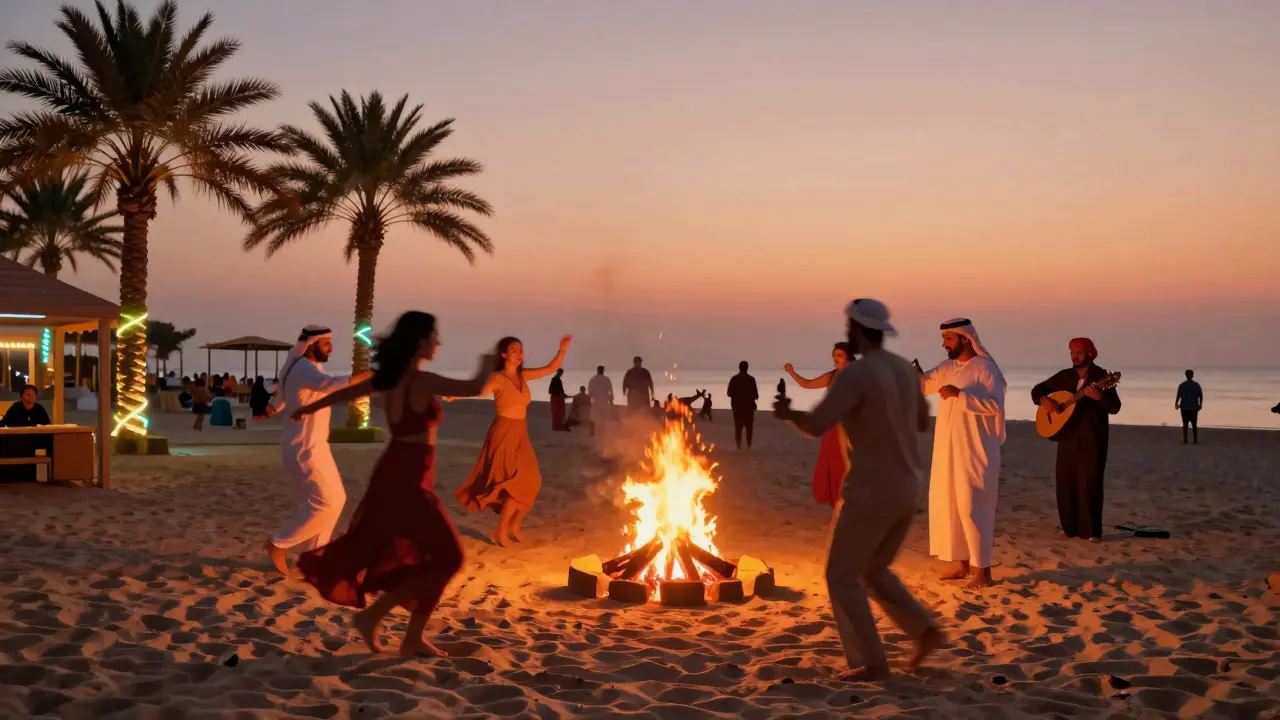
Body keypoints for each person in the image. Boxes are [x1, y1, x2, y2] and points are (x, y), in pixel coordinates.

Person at [289, 311, 496, 657]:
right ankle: (378, 619)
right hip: (409, 478)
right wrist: (489, 363)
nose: (439, 342)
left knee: (429, 556)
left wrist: (308, 410)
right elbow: (475, 388)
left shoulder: (390, 379)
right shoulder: (422, 382)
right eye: (434, 336)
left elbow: (345, 394)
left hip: (394, 472)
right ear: (420, 340)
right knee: (449, 557)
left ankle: (403, 632)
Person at [773, 298, 943, 680]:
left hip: (871, 488)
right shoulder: (902, 370)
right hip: (907, 485)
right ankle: (925, 632)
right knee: (874, 570)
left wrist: (787, 414)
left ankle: (872, 663)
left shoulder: (856, 375)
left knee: (840, 575)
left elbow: (818, 423)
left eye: (849, 326)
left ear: (855, 331)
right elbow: (921, 422)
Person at [259, 326, 369, 573]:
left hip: (314, 445)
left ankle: (315, 558)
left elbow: (284, 398)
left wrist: (270, 411)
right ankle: (278, 543)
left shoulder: (304, 368)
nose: (331, 347)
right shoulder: (305, 369)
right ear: (312, 345)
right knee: (325, 504)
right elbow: (326, 384)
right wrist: (358, 379)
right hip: (305, 448)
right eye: (326, 343)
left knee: (334, 500)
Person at [456, 335, 573, 547]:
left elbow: (550, 368)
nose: (519, 353)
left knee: (533, 481)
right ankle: (500, 531)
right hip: (503, 433)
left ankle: (513, 525)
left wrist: (562, 349)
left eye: (521, 349)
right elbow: (478, 392)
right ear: (503, 355)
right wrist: (454, 396)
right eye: (513, 350)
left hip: (521, 433)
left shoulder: (523, 375)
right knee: (514, 483)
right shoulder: (497, 378)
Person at [917, 319, 1006, 589]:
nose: (944, 344)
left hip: (976, 449)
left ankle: (984, 573)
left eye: (948, 339)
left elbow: (996, 407)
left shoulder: (987, 368)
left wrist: (961, 395)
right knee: (951, 503)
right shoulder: (947, 367)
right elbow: (924, 386)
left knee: (972, 506)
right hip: (948, 447)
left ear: (965, 339)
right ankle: (963, 564)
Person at [1031, 338, 1121, 542]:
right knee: (1065, 482)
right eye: (1071, 351)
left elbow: (1115, 407)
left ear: (1090, 353)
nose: (1074, 355)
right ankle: (1069, 529)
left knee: (1090, 482)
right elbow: (1037, 390)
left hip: (1093, 437)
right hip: (1067, 437)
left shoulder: (1102, 377)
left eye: (1079, 351)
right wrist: (1044, 400)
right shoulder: (1064, 376)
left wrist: (1099, 398)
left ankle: (1091, 532)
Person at [784, 342, 854, 508]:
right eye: (834, 356)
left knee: (849, 464)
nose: (835, 359)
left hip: (851, 426)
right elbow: (807, 384)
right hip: (832, 427)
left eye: (839, 355)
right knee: (833, 463)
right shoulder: (831, 376)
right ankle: (839, 500)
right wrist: (792, 372)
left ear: (848, 356)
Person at [0, 384, 53, 483]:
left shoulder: (39, 409)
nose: (31, 397)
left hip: (34, 440)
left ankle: (54, 475)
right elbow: (5, 423)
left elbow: (47, 425)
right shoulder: (15, 408)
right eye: (28, 395)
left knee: (53, 441)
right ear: (22, 396)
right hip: (16, 440)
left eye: (33, 395)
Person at [727, 361, 758, 450]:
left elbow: (729, 393)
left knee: (738, 427)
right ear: (747, 368)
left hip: (737, 407)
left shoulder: (734, 379)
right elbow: (756, 395)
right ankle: (748, 445)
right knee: (749, 428)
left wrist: (737, 396)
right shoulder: (751, 379)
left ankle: (738, 445)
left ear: (739, 368)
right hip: (748, 408)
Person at [586, 366, 614, 447]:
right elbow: (611, 391)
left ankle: (596, 433)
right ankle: (602, 432)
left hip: (596, 402)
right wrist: (611, 400)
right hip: (604, 402)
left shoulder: (593, 379)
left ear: (598, 370)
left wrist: (591, 398)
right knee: (602, 418)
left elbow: (590, 393)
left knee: (595, 418)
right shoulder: (606, 379)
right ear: (603, 371)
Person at [1175, 369, 1203, 445]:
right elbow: (1200, 395)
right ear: (1192, 375)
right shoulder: (1196, 385)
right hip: (1193, 407)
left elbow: (1178, 395)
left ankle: (1185, 439)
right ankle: (1195, 440)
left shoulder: (1182, 385)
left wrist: (1176, 404)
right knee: (1194, 424)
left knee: (1185, 424)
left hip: (1185, 407)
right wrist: (1200, 404)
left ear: (1186, 375)